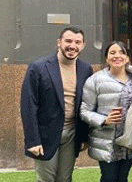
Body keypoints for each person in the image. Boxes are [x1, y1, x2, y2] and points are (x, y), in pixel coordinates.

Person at [20, 26, 94, 182]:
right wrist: (33, 140)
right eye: (68, 41)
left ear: (83, 45)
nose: (72, 45)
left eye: (77, 42)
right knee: (46, 179)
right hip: (45, 134)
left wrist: (84, 136)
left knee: (65, 178)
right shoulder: (38, 67)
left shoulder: (86, 69)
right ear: (59, 42)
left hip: (72, 134)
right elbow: (28, 106)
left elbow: (86, 103)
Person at [80, 41, 132, 182]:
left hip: (129, 141)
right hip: (106, 141)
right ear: (106, 58)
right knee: (109, 178)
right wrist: (104, 120)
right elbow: (84, 111)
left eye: (122, 52)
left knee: (123, 178)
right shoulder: (95, 80)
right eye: (112, 53)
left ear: (127, 58)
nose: (117, 56)